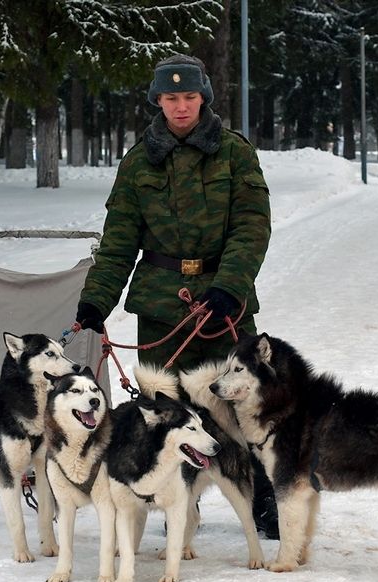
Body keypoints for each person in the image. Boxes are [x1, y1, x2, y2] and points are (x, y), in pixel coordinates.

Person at [74, 54, 278, 539]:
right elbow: (120, 239)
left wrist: (230, 287)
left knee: (249, 409)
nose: (181, 106)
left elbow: (252, 227)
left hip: (224, 305)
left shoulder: (234, 154)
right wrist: (96, 302)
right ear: (158, 101)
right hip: (163, 307)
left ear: (203, 98)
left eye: (189, 97)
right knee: (163, 413)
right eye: (171, 97)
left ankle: (267, 500)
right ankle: (176, 502)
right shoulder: (138, 161)